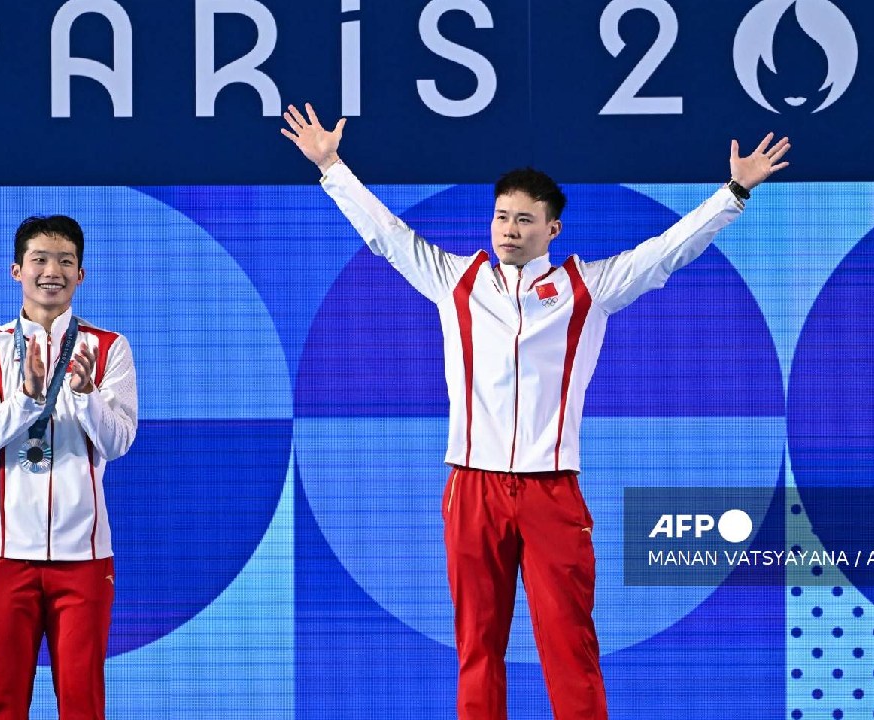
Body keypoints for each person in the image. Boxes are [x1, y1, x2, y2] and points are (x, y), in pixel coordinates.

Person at [281, 102, 789, 720]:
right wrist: (331, 165)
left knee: (569, 646)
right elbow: (386, 235)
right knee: (478, 648)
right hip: (472, 488)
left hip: (552, 495)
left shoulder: (588, 288)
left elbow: (665, 253)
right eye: (501, 216)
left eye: (525, 220)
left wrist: (732, 193)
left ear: (553, 230)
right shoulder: (455, 282)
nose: (509, 229)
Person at [0, 215, 138, 719]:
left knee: (83, 705)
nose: (51, 271)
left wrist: (83, 397)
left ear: (82, 274)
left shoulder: (108, 349)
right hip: (2, 557)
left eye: (65, 261)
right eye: (39, 259)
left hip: (84, 559)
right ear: (16, 270)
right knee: (2, 704)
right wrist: (27, 399)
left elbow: (119, 441)